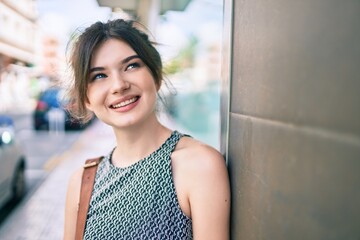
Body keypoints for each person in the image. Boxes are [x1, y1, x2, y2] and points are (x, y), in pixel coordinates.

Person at [64, 19, 230, 240]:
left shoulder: (198, 164)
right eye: (99, 76)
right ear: (87, 99)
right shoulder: (83, 182)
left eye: (131, 65)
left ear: (156, 75)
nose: (119, 85)